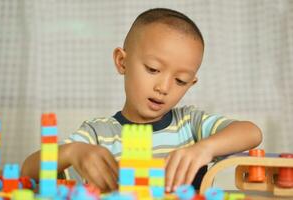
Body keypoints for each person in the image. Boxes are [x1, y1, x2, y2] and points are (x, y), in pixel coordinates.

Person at [21, 8, 262, 193]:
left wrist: (204, 149)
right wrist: (72, 152)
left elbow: (251, 133)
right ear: (122, 62)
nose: (163, 87)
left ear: (191, 84)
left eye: (180, 80)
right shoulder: (98, 133)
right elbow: (28, 171)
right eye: (153, 69)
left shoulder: (190, 123)